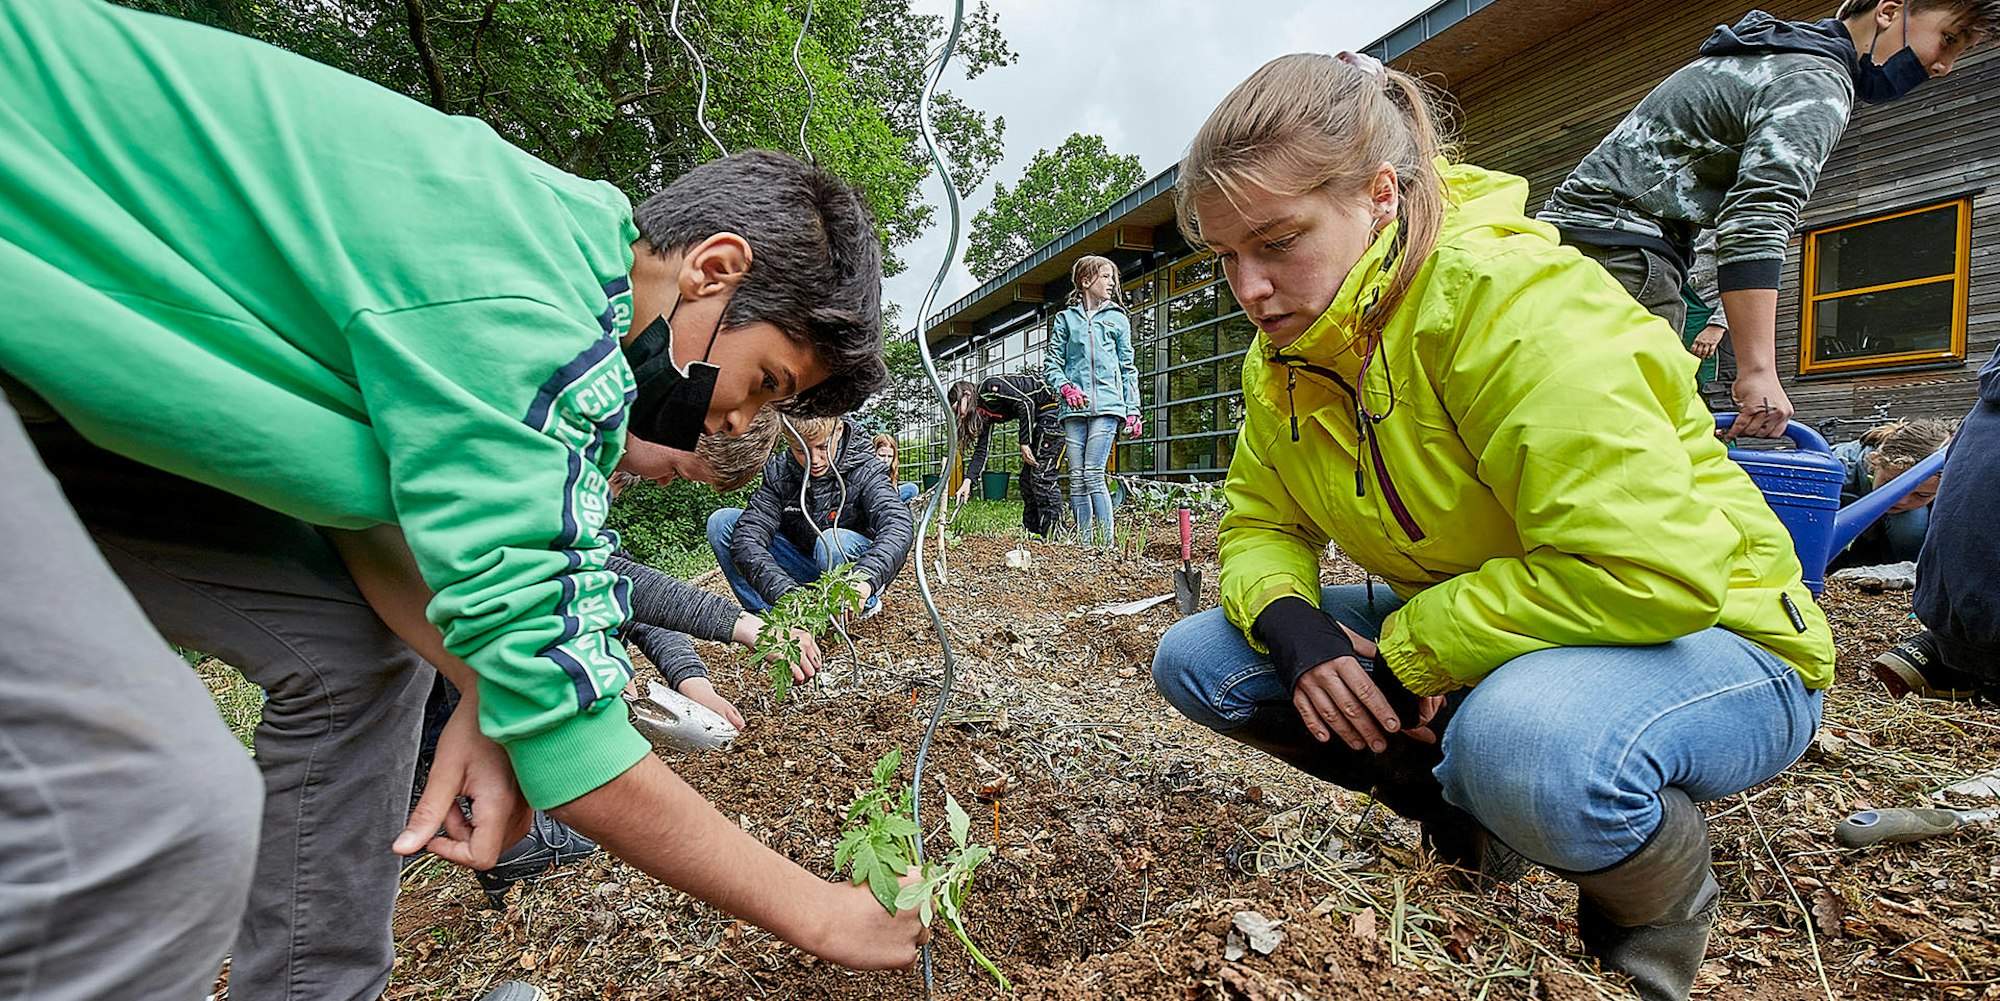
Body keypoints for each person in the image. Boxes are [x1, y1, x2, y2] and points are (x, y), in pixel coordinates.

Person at [0, 4, 923, 1000]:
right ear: (712, 269)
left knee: (352, 657)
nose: (728, 417)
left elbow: (374, 519)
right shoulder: (526, 302)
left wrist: (480, 676)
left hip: (66, 358)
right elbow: (571, 737)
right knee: (149, 813)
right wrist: (820, 910)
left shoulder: (542, 270)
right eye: (766, 381)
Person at [1150, 52, 1834, 1001]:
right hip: (1522, 618)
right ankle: (1471, 822)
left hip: (1716, 630)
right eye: (1227, 257)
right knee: (1206, 657)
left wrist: (1412, 653)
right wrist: (1297, 628)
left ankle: (1649, 926)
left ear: (1380, 194)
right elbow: (1260, 519)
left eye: (1277, 242)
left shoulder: (1512, 302)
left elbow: (1651, 568)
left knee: (1522, 741)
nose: (1251, 288)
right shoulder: (1295, 354)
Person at [1538, 0, 1993, 441]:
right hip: (1620, 255)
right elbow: (1757, 218)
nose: (1943, 66)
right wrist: (1758, 371)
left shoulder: (1773, 54)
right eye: (1947, 38)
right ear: (1890, 11)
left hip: (1577, 242)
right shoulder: (1816, 81)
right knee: (1622, 438)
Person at [1874, 361, 2000, 701]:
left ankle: (1940, 654)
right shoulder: (1844, 469)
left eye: (1921, 493)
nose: (1901, 499)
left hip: (1947, 616)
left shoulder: (1984, 408)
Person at [708, 415, 915, 620]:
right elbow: (748, 537)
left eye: (822, 447)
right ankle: (769, 620)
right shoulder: (780, 473)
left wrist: (867, 577)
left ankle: (860, 603)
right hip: (805, 564)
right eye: (801, 450)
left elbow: (897, 524)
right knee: (722, 523)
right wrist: (785, 594)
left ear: (839, 431)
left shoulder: (867, 468)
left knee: (833, 540)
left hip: (853, 567)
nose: (814, 460)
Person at [1046, 255, 1141, 545]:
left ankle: (1106, 543)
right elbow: (1052, 363)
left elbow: (1127, 368)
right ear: (1086, 281)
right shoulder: (1066, 319)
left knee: (1093, 473)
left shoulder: (1117, 319)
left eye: (1113, 277)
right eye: (1105, 277)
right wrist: (1065, 389)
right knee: (1076, 477)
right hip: (1073, 409)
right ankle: (1085, 544)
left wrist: (1133, 409)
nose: (1112, 282)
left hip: (1108, 407)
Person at [1828, 418, 1953, 569]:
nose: (1901, 500)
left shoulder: (1951, 488)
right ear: (1874, 460)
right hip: (1835, 553)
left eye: (1921, 495)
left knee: (1909, 523)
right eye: (1891, 485)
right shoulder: (1835, 471)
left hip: (1896, 552)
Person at [948, 376, 1065, 535]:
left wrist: (1024, 443)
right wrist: (968, 481)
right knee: (1026, 480)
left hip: (1051, 409)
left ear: (967, 395)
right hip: (1038, 419)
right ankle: (1034, 533)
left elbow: (1026, 403)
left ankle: (1053, 532)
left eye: (958, 408)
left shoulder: (989, 388)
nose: (960, 416)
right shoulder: (984, 412)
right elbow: (981, 450)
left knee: (1042, 477)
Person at [873, 432, 921, 504]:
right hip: (875, 500)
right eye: (882, 455)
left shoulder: (891, 468)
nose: (886, 460)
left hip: (890, 498)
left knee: (912, 488)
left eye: (890, 456)